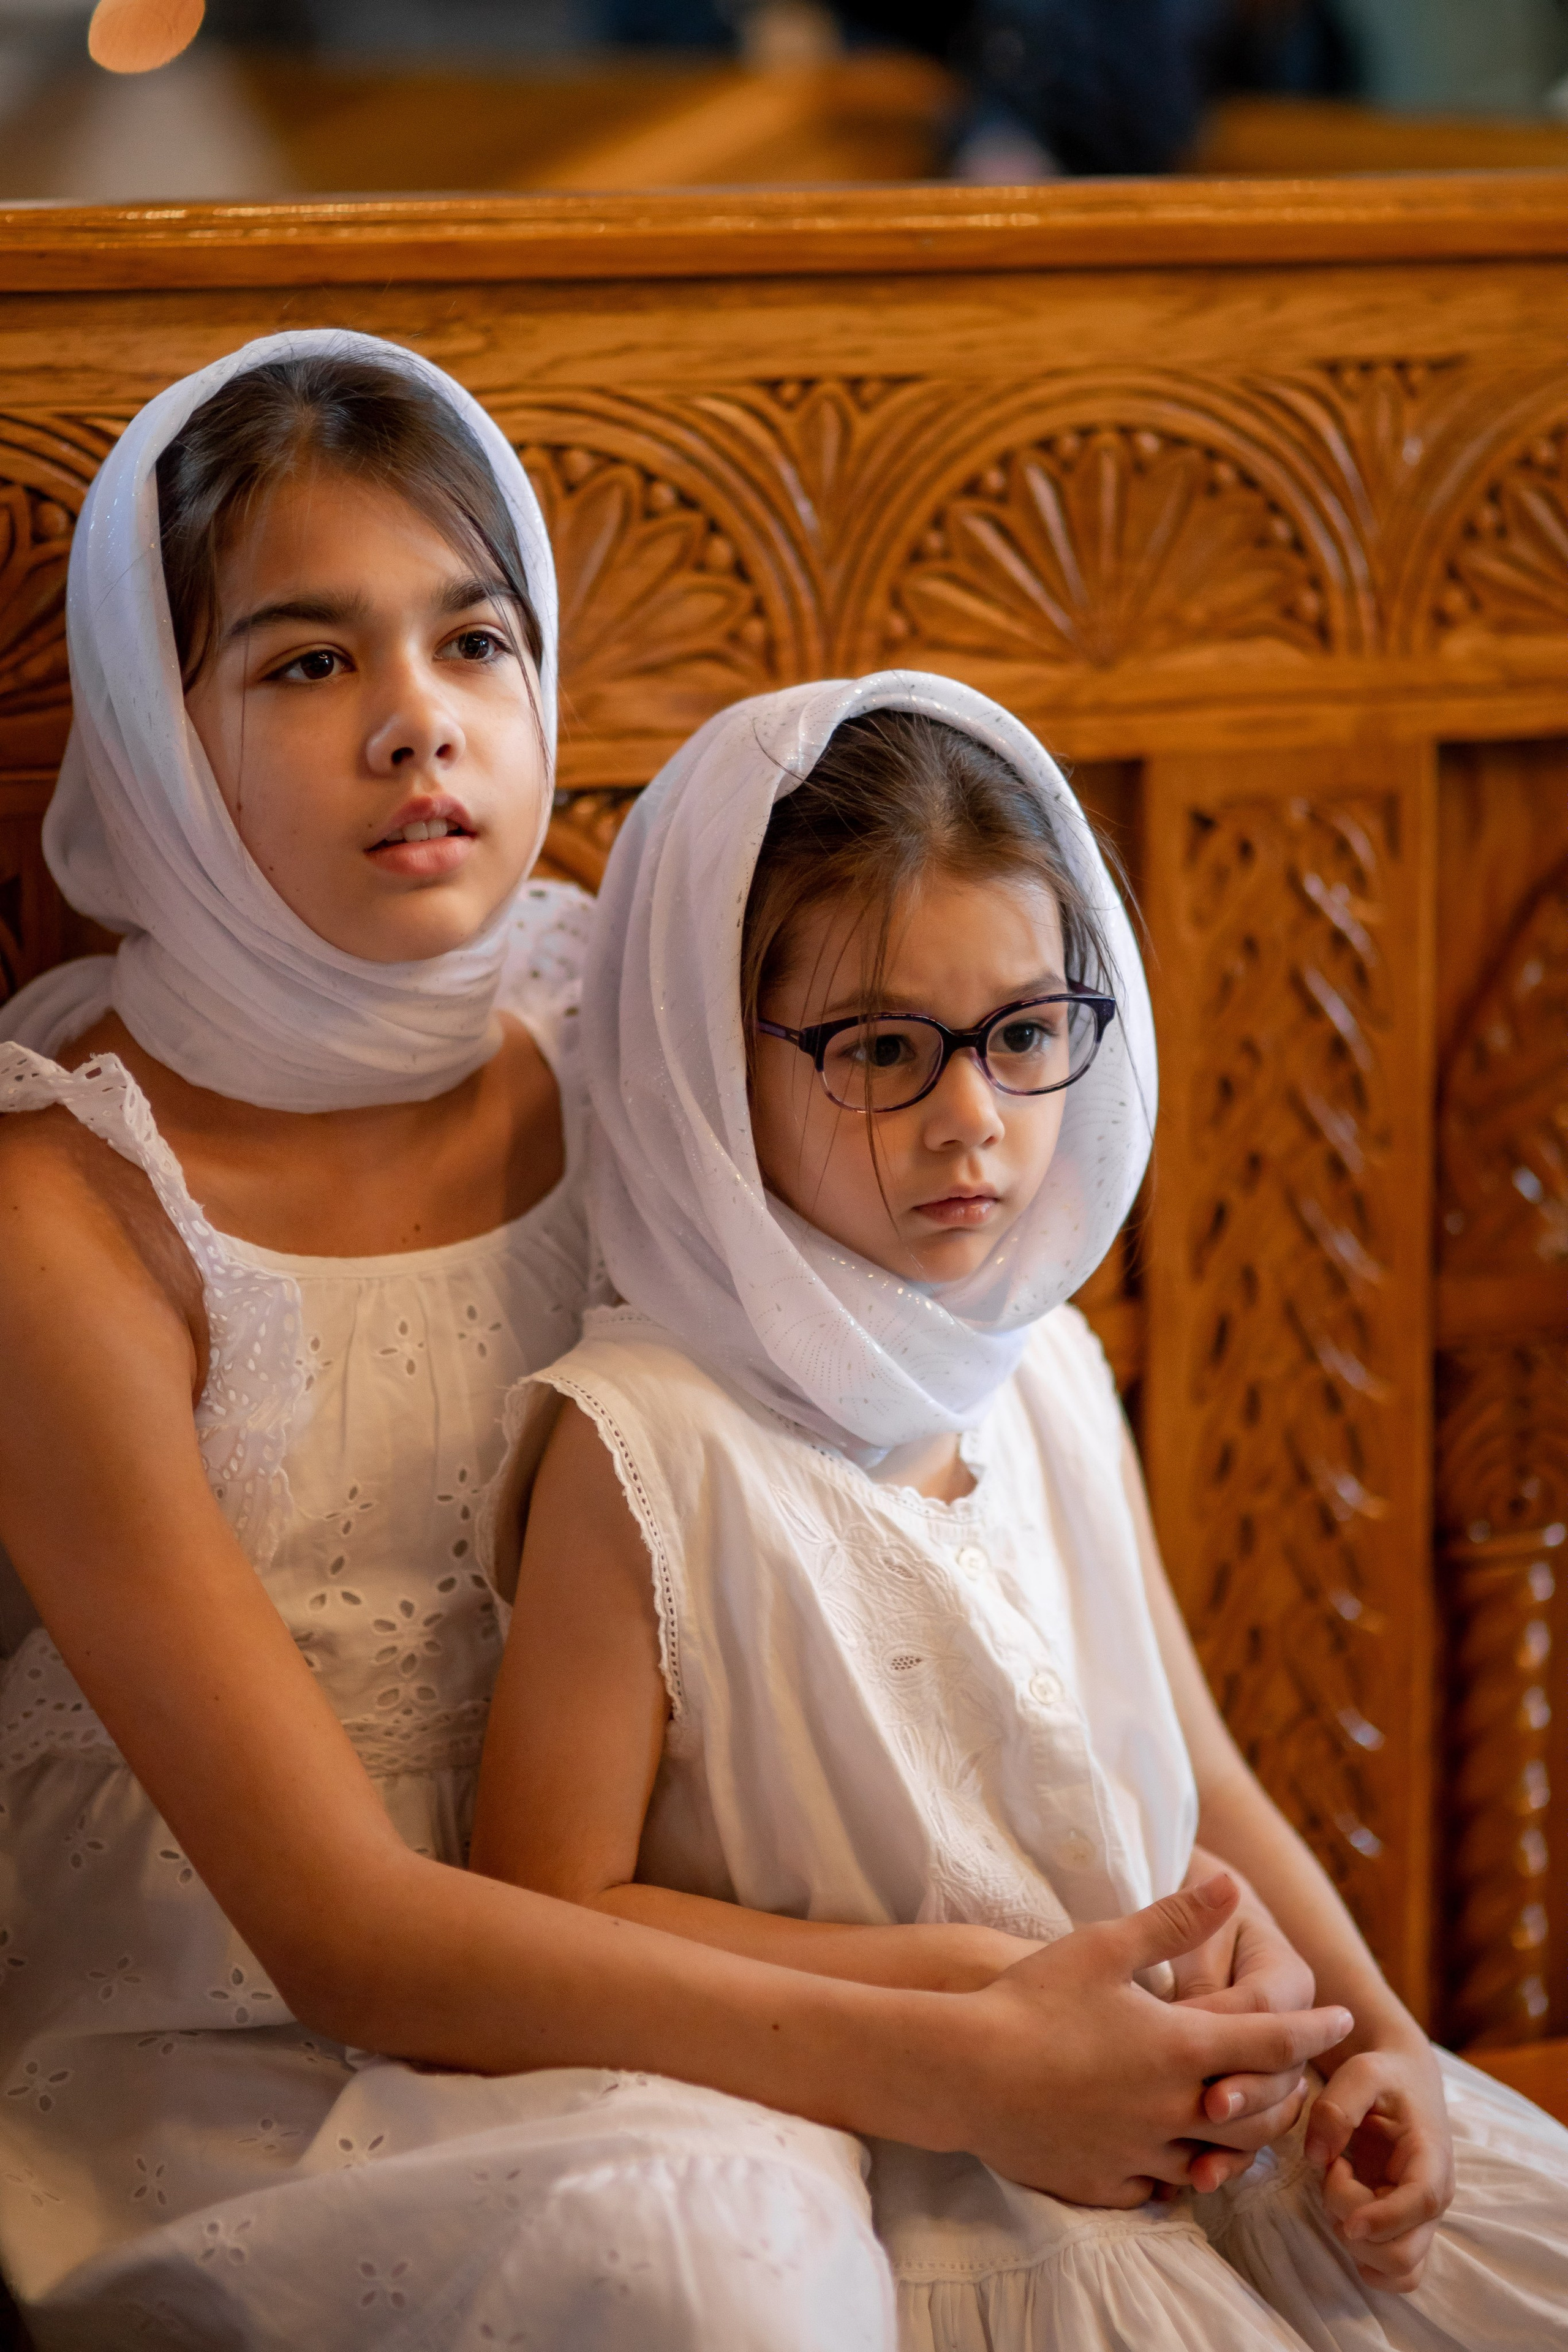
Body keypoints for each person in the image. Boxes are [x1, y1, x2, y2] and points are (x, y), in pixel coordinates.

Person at [0, 337, 1349, 2351]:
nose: (416, 723)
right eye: (308, 662)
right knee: (711, 2263)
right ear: (153, 733)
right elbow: (349, 1940)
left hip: (744, 1960)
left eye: (475, 642)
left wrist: (1082, 1990)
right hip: (263, 2056)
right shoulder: (65, 1215)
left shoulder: (642, 1027)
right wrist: (968, 2038)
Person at [472, 674, 1568, 2346]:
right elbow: (549, 1920)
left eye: (1026, 1034)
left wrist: (1377, 2035)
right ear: (709, 1063)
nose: (972, 1118)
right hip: (926, 2176)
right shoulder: (644, 1447)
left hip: (1208, 2133)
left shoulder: (1039, 1363)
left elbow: (1200, 1773)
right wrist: (970, 1997)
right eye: (881, 1051)